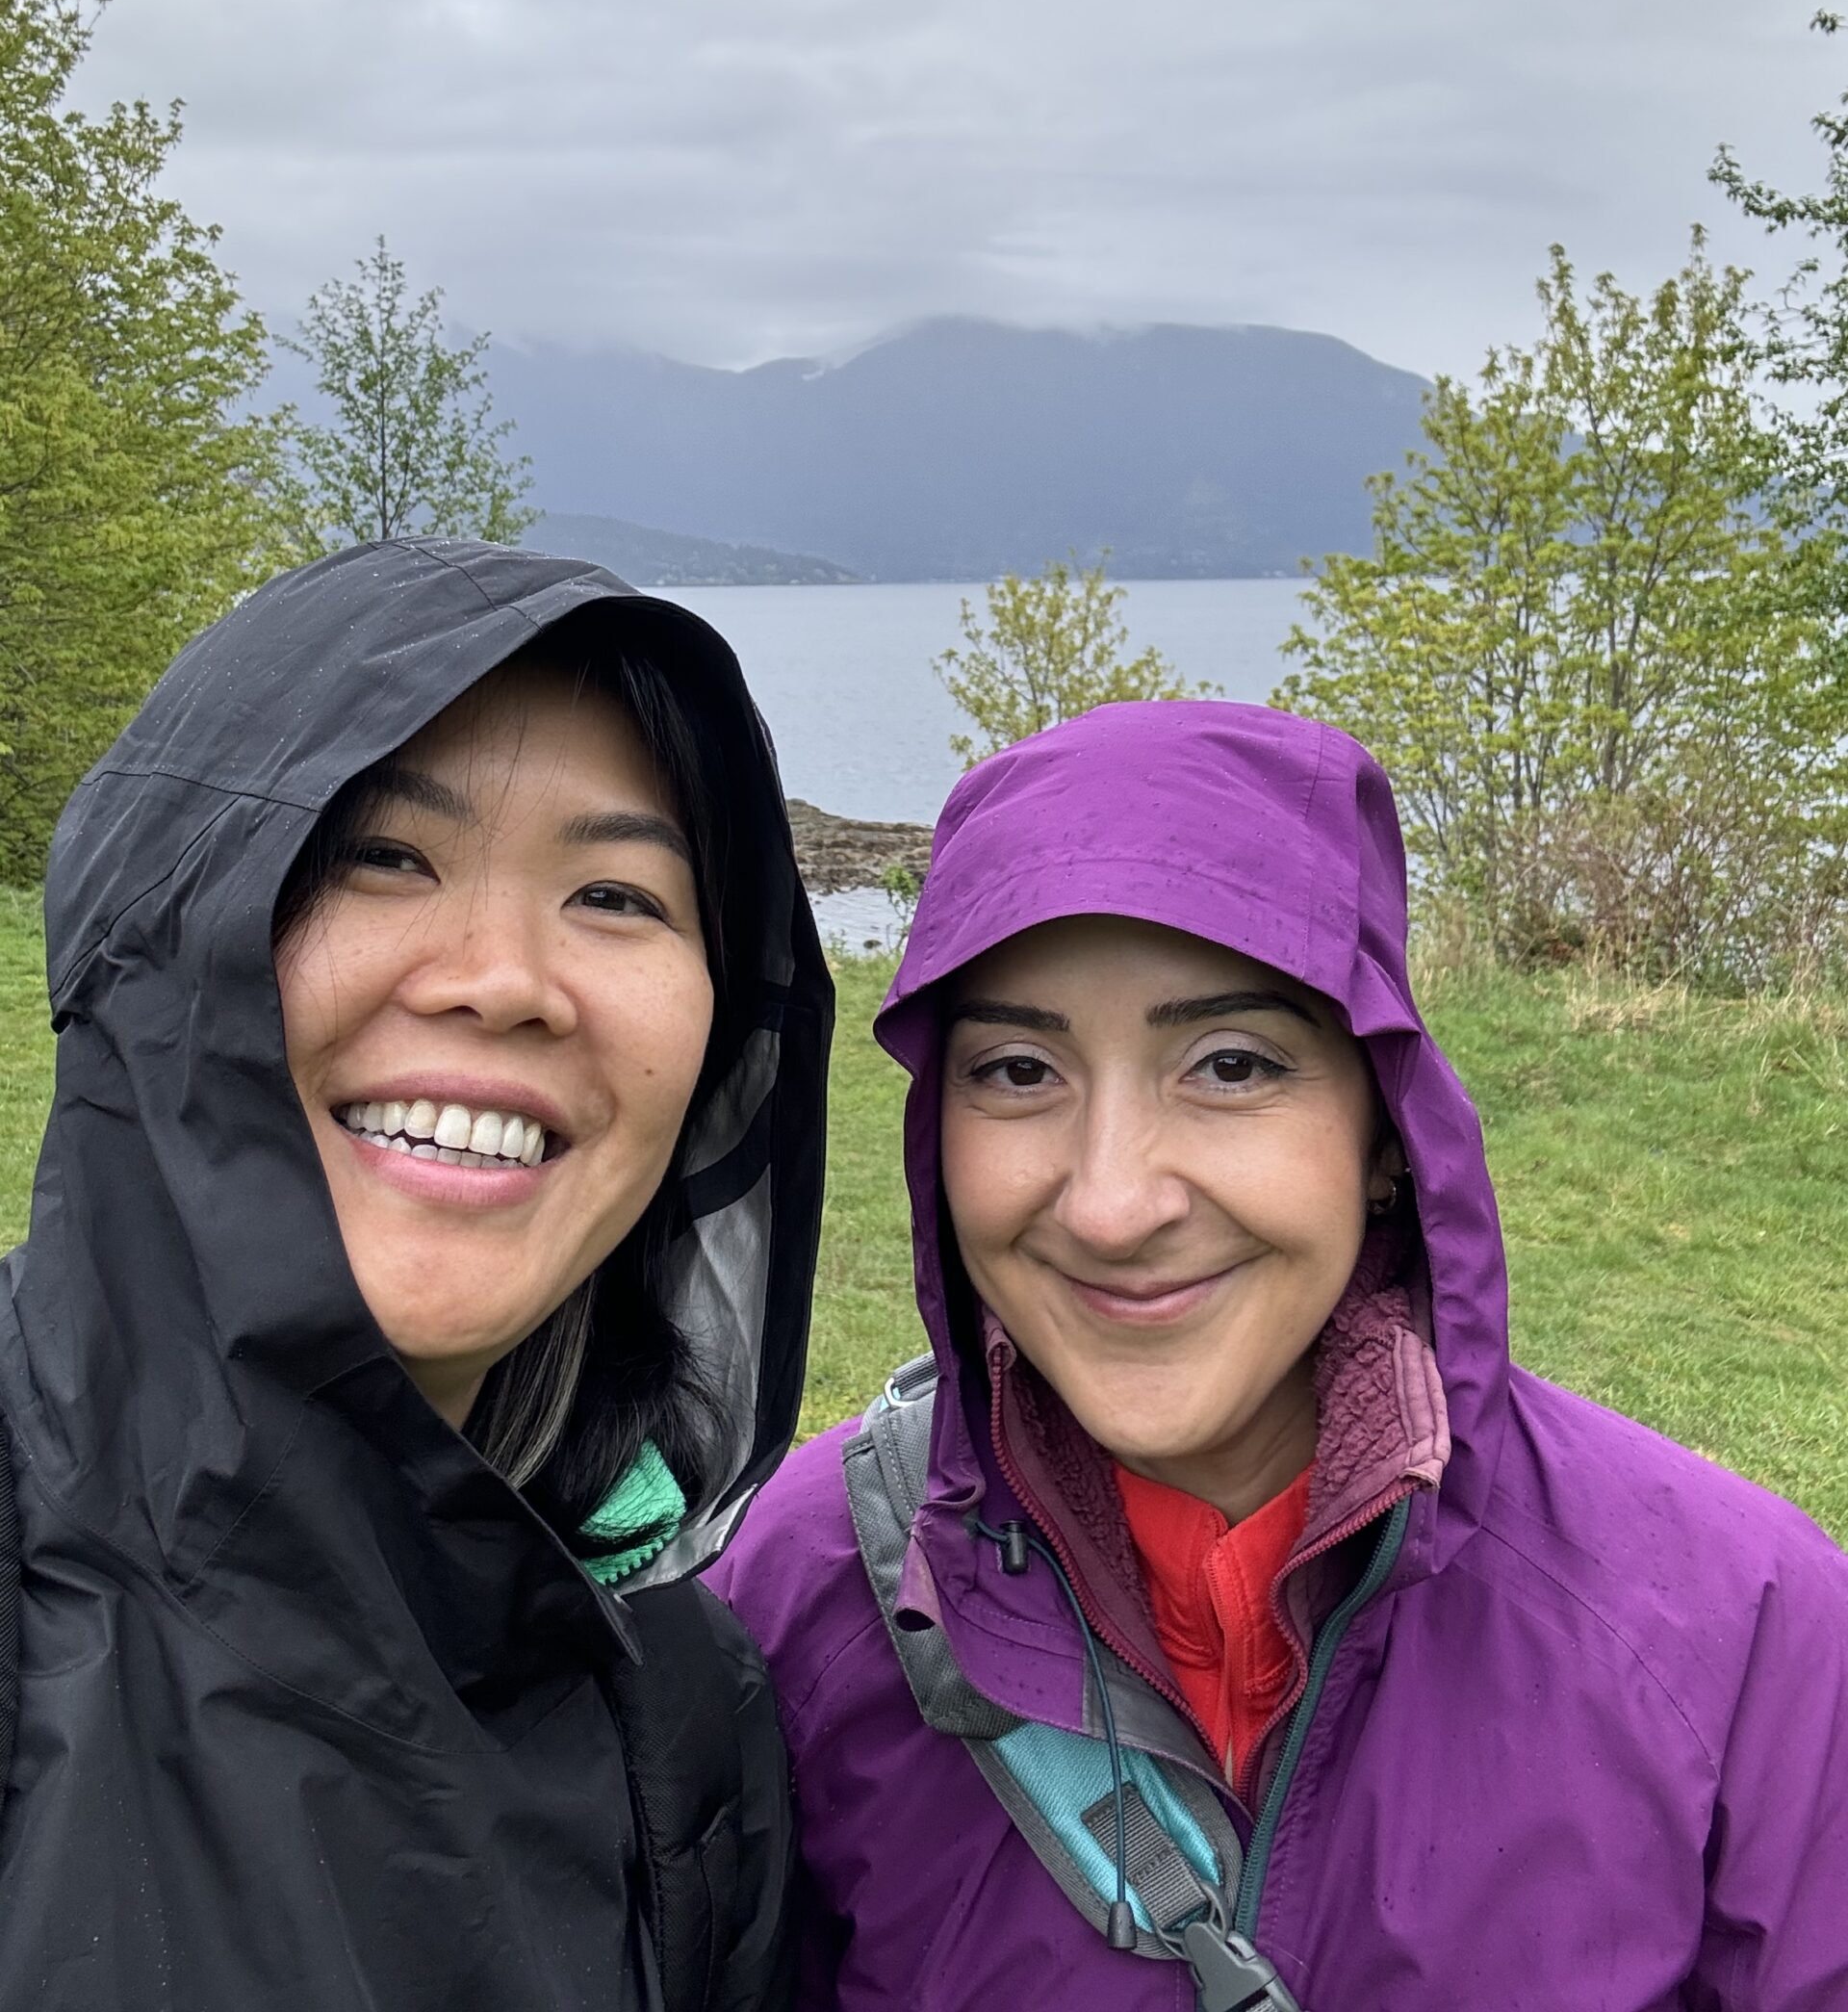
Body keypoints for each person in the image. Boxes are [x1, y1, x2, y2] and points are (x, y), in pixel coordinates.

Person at [710, 699, 1848, 2009]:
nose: (1110, 1202)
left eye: (1232, 1065)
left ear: (1384, 1132)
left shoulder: (1744, 1635)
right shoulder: (801, 1596)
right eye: (1020, 1071)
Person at [0, 537, 832, 2011]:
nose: (502, 977)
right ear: (165, 934)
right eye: (385, 856)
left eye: (621, 897)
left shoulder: (690, 1709)